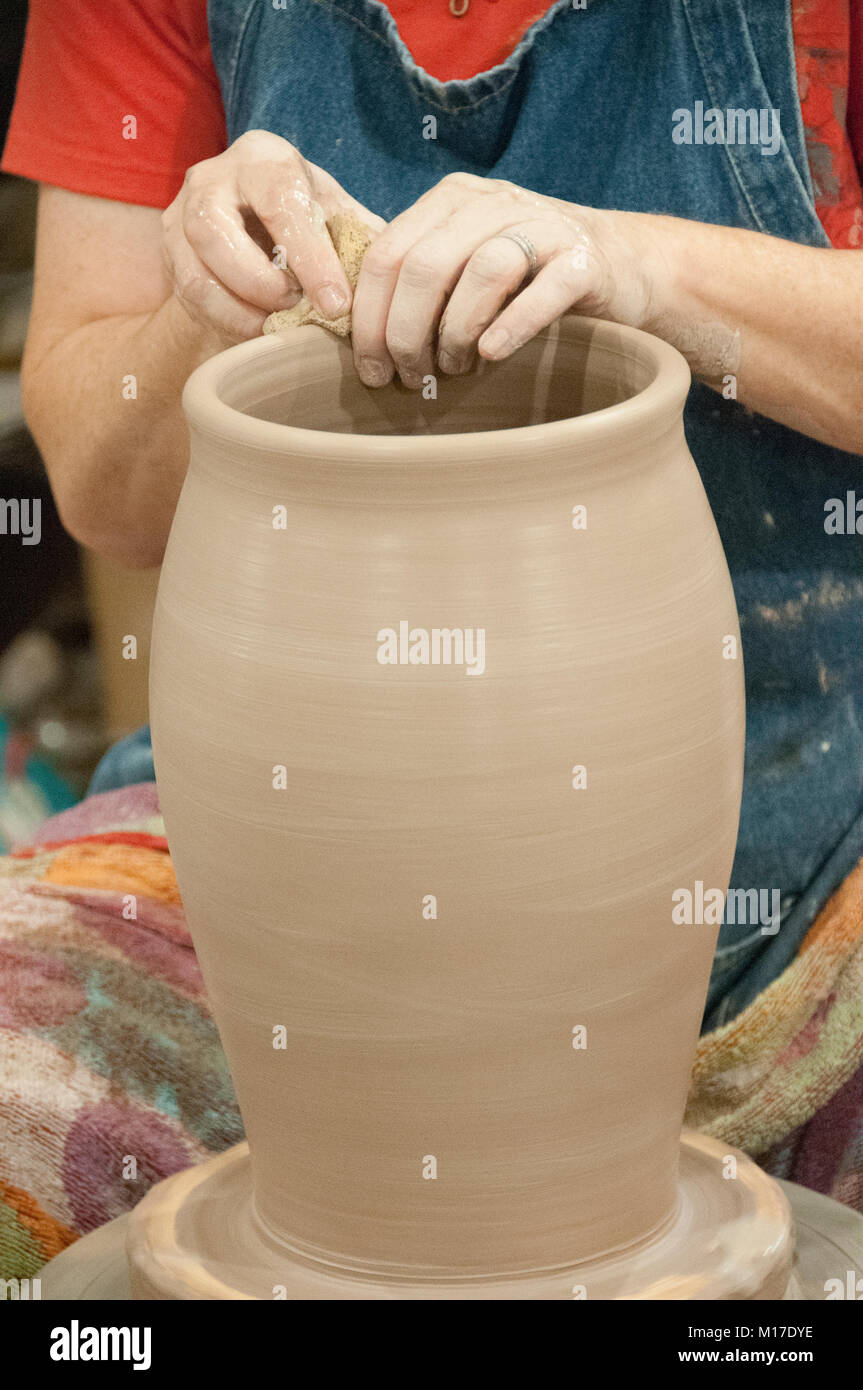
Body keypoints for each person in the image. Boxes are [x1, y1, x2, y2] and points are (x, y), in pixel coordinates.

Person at [3, 0, 863, 1030]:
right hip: (288, 833)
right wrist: (214, 305)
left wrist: (643, 267)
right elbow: (107, 499)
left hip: (804, 810)